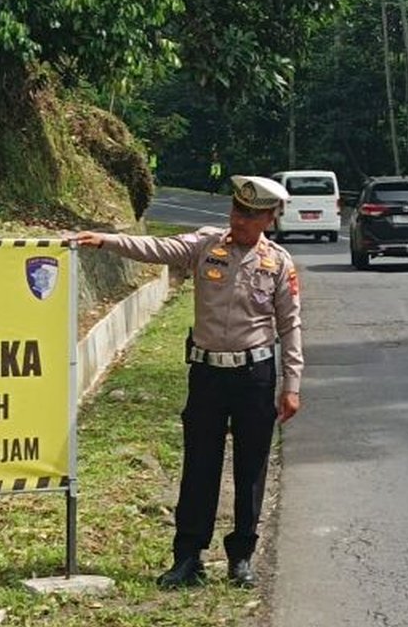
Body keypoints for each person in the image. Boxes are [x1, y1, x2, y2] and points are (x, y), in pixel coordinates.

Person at [68, 175, 302, 590]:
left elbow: (290, 325)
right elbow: (157, 248)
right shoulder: (205, 245)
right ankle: (188, 557)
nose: (240, 220)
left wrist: (292, 384)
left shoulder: (278, 263)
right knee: (199, 465)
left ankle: (241, 558)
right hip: (207, 374)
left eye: (250, 215)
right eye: (236, 211)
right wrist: (106, 240)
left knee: (250, 468)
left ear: (269, 218)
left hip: (255, 375)